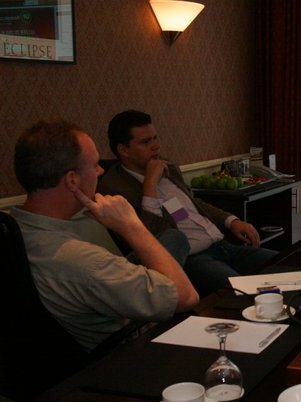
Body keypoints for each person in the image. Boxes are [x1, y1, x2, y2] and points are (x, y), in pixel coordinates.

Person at [10, 120, 199, 352]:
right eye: (94, 165)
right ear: (72, 180)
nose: (100, 171)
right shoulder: (85, 262)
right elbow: (185, 297)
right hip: (129, 351)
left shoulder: (14, 228)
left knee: (173, 237)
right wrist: (132, 227)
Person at [98, 110, 277, 296]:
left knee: (287, 266)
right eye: (145, 142)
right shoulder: (112, 189)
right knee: (242, 295)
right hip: (191, 260)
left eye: (155, 138)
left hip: (222, 246)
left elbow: (192, 205)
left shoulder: (167, 167)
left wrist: (232, 221)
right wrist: (150, 183)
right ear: (124, 150)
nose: (156, 146)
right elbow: (151, 236)